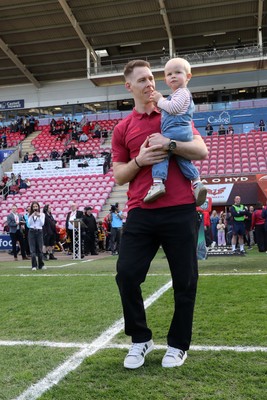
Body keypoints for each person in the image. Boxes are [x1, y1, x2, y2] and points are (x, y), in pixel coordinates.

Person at [112, 59, 207, 369]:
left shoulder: (172, 110)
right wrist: (139, 161)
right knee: (126, 274)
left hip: (180, 208)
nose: (149, 83)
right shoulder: (122, 128)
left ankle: (179, 345)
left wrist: (171, 144)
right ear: (129, 87)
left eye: (151, 77)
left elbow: (201, 151)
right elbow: (119, 176)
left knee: (185, 281)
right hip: (141, 211)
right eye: (142, 80)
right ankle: (141, 339)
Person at [144, 57, 207, 206]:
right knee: (183, 159)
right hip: (182, 133)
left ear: (188, 76)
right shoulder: (177, 95)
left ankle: (158, 183)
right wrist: (161, 103)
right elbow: (170, 109)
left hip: (176, 130)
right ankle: (197, 183)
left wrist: (159, 100)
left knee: (161, 153)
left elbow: (174, 108)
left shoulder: (182, 92)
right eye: (169, 74)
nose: (173, 76)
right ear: (165, 79)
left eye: (177, 72)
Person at [28, 201, 45, 270]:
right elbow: (29, 224)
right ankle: (34, 265)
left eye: (36, 206)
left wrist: (39, 217)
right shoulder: (30, 215)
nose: (35, 208)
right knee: (32, 250)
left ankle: (41, 265)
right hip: (31, 231)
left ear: (38, 207)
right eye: (34, 207)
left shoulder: (42, 214)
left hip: (39, 231)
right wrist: (32, 216)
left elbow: (42, 224)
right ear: (32, 207)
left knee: (40, 249)